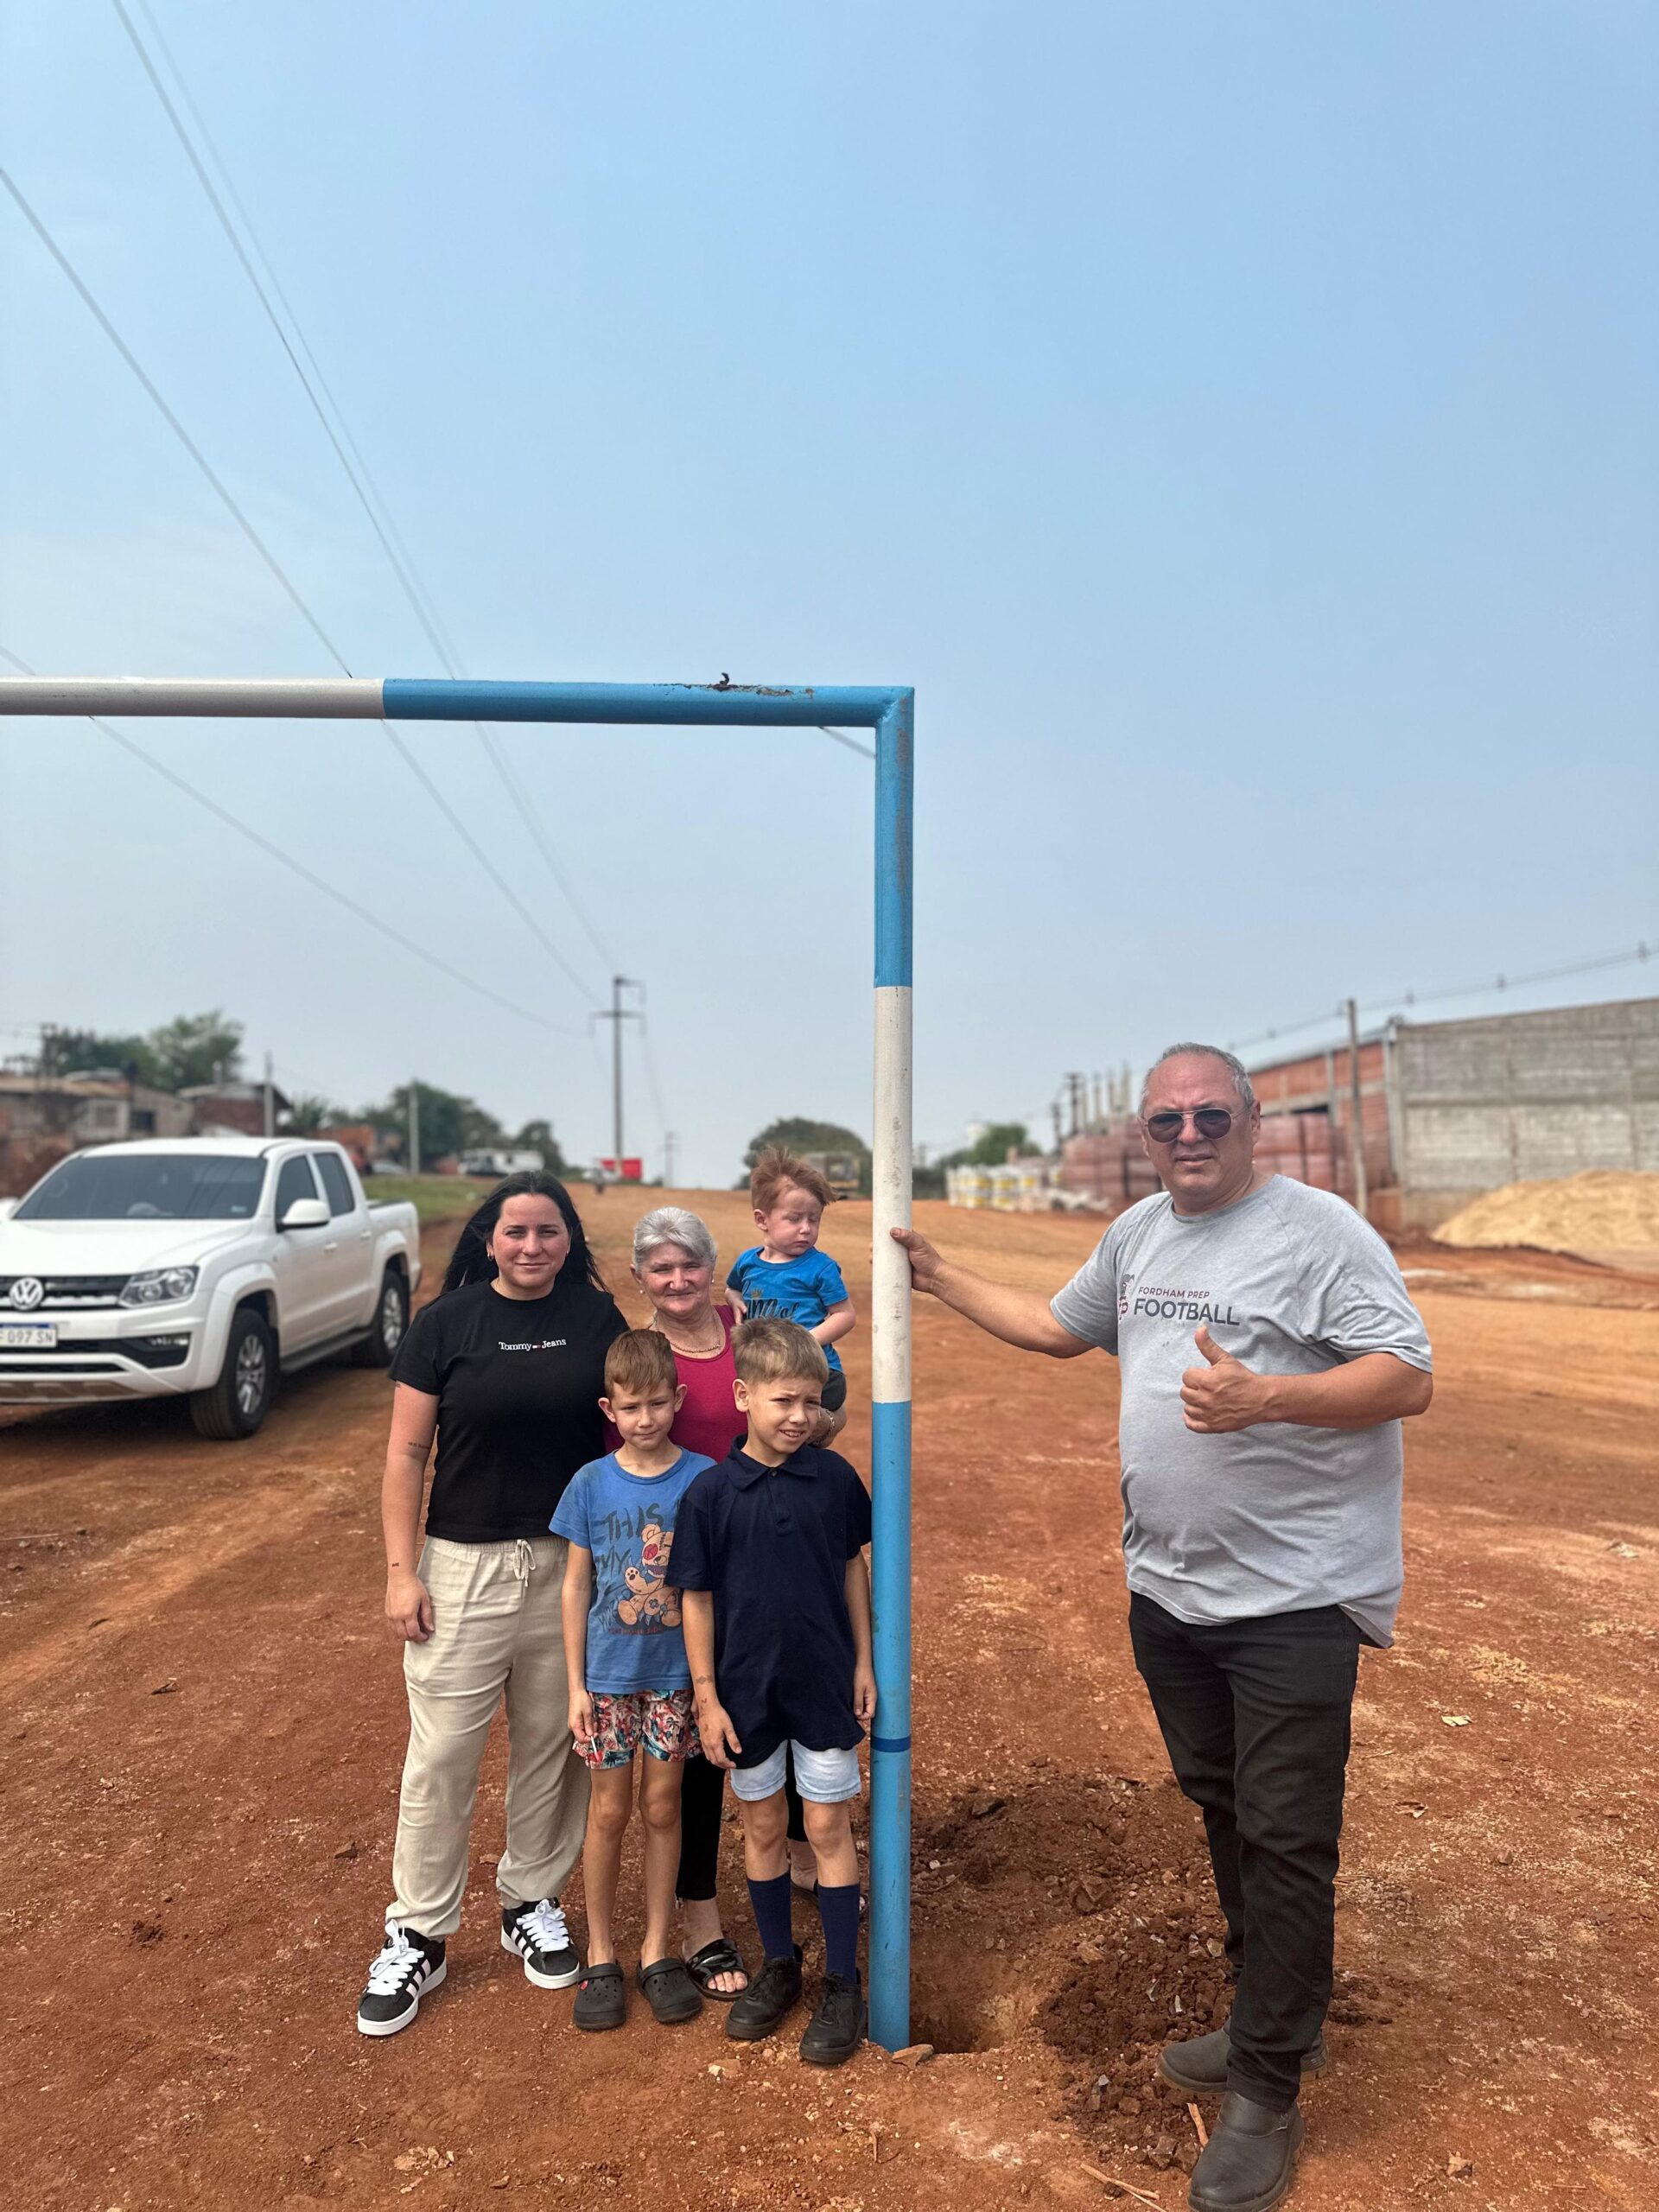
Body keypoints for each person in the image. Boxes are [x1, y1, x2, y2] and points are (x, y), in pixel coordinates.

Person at [892, 1044, 1433, 2212]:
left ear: (1252, 1121)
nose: (1189, 1136)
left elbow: (1406, 1377)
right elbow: (1055, 1328)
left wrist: (1267, 1396)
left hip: (1293, 1601)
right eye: (1167, 1121)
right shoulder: (1139, 1234)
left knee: (1286, 1838)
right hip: (1172, 1595)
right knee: (1227, 1809)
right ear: (1145, 1134)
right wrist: (938, 1277)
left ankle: (1266, 2089)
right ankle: (1273, 2017)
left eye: (1210, 1116)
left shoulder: (1320, 1232)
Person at [355, 1172, 626, 2038]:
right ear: (489, 1239)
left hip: (568, 1566)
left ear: (568, 1240)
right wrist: (401, 1573)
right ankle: (419, 1931)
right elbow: (406, 1455)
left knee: (553, 1747)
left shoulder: (597, 1319)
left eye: (549, 1231)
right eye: (516, 1231)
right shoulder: (445, 1324)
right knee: (441, 1757)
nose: (532, 1246)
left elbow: (635, 1422)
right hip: (461, 1568)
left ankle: (530, 1900)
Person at [674, 1319, 876, 2069]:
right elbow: (697, 1599)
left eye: (812, 1402)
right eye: (783, 1400)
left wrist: (864, 1662)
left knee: (825, 1826)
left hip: (822, 1683)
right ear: (743, 1396)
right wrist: (707, 1697)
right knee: (762, 1827)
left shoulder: (835, 1480)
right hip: (745, 1693)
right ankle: (780, 1966)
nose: (799, 1416)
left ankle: (843, 1982)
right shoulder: (710, 1494)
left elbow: (853, 1567)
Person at [630, 1204, 820, 2001]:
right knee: (703, 1742)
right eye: (661, 1268)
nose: (678, 1280)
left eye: (691, 1264)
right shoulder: (640, 1355)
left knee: (789, 1697)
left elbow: (811, 1401)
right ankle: (701, 1917)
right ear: (641, 1277)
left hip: (769, 1552)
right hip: (686, 1567)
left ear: (716, 1267)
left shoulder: (750, 1328)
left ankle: (807, 1850)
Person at [553, 1330, 713, 2030]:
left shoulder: (703, 1478)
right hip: (608, 1680)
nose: (645, 1419)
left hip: (674, 1677)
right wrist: (575, 1686)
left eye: (656, 1404)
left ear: (678, 1399)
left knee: (664, 1805)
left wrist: (707, 1682)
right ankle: (601, 1953)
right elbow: (575, 1586)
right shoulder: (590, 1483)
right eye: (630, 1407)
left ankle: (657, 1950)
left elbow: (710, 1587)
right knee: (609, 1812)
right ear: (608, 1409)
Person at [726, 1148, 855, 1443]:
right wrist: (734, 1299)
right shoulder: (747, 1262)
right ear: (762, 1219)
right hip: (766, 1370)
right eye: (794, 1219)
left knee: (791, 1422)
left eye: (814, 1220)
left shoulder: (820, 1267)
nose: (806, 1229)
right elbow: (732, 1288)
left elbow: (845, 1315)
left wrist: (804, 1342)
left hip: (819, 1373)